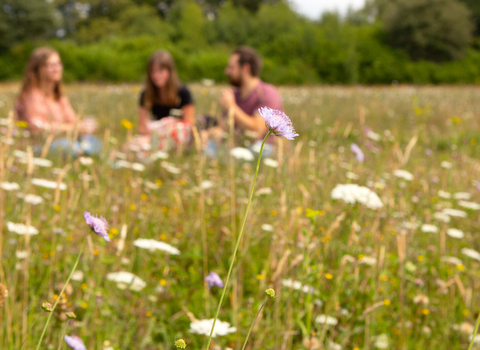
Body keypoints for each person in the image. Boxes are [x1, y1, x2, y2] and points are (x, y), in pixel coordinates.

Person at [15, 47, 101, 157]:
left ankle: (82, 153)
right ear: (37, 69)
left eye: (58, 64)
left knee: (94, 141)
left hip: (64, 142)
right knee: (68, 146)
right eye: (50, 65)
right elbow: (38, 129)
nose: (56, 68)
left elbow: (73, 122)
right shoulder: (32, 96)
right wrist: (73, 128)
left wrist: (85, 126)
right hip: (38, 146)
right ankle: (81, 154)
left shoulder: (59, 97)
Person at [208, 46, 283, 157]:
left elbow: (257, 130)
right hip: (236, 146)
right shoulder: (234, 95)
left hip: (261, 148)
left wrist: (232, 107)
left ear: (245, 68)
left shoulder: (267, 93)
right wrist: (211, 134)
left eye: (231, 67)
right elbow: (222, 127)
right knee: (208, 148)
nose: (226, 71)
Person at [136, 50, 195, 152]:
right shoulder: (146, 94)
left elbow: (189, 124)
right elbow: (141, 128)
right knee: (134, 145)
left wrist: (165, 127)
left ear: (169, 71)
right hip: (153, 137)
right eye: (153, 71)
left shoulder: (183, 92)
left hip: (176, 139)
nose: (156, 75)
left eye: (160, 71)